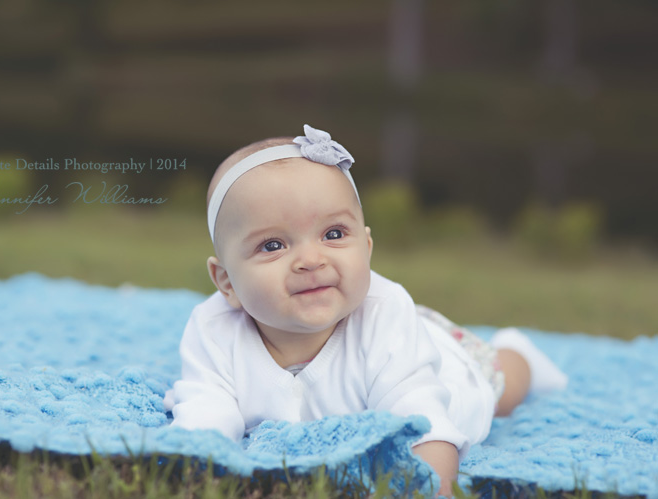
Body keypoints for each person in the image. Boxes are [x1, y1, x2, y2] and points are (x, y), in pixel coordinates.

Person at [164, 125, 567, 496]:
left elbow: (423, 424)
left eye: (333, 234)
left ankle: (520, 353)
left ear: (367, 248)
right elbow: (205, 413)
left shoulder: (383, 316)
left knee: (500, 390)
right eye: (273, 245)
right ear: (227, 282)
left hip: (440, 365)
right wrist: (194, 469)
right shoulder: (213, 329)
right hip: (400, 335)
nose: (310, 259)